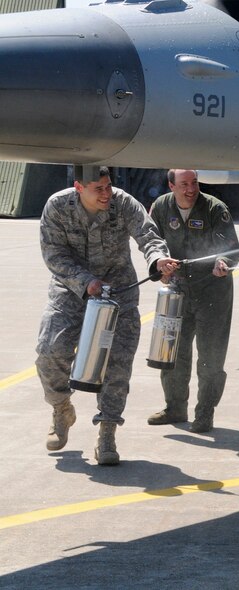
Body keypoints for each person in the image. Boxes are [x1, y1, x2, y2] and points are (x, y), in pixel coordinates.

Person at [38, 165, 178, 465]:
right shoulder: (58, 207)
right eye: (98, 189)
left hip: (119, 290)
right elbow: (54, 255)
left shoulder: (123, 203)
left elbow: (148, 236)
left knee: (118, 365)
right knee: (50, 351)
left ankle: (107, 433)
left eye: (108, 186)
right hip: (72, 289)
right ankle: (61, 408)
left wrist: (158, 260)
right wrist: (85, 280)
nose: (106, 194)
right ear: (79, 187)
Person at [146, 170, 239, 433]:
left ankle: (204, 412)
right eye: (184, 184)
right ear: (171, 185)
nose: (191, 189)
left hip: (213, 290)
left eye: (194, 183)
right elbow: (153, 242)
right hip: (178, 291)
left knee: (210, 357)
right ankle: (175, 407)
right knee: (174, 354)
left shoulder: (215, 208)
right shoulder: (161, 207)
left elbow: (231, 248)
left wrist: (224, 261)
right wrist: (159, 267)